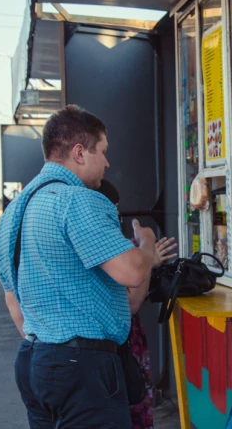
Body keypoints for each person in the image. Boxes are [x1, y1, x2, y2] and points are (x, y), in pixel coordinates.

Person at [0, 105, 163, 428]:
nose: (107, 162)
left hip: (35, 361)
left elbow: (13, 302)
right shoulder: (77, 200)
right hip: (82, 369)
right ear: (79, 153)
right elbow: (132, 272)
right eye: (103, 151)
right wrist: (148, 245)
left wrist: (51, 348)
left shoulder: (11, 214)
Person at [96, 179, 177, 429]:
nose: (117, 216)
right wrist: (148, 257)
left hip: (111, 345)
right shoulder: (109, 249)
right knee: (131, 402)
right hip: (117, 344)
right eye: (114, 208)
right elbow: (131, 302)